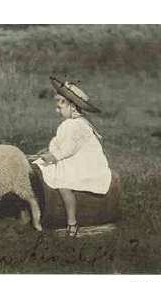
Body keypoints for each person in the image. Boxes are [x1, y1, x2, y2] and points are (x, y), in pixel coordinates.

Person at [33, 76, 112, 237]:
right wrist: (49, 152)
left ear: (73, 107)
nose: (57, 109)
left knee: (63, 181)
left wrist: (54, 157)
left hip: (85, 161)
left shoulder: (74, 125)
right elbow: (63, 144)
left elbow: (68, 148)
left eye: (61, 105)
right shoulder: (74, 123)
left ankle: (72, 222)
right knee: (41, 164)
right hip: (75, 156)